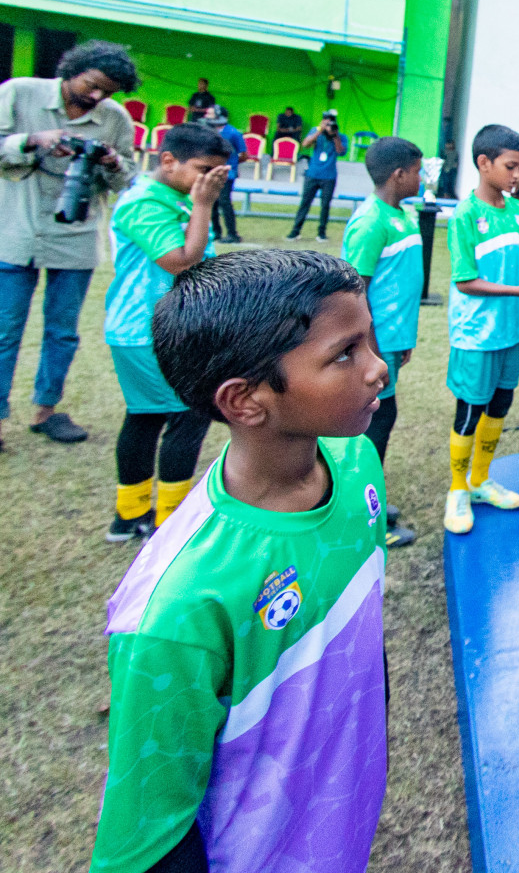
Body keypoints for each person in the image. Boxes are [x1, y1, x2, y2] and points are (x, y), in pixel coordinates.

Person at [91, 249, 392, 873]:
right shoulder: (176, 608)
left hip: (342, 821)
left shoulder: (357, 461)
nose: (378, 369)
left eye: (370, 342)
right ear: (246, 400)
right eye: (345, 354)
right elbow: (148, 841)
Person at [0, 40, 139, 449]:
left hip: (75, 238)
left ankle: (47, 411)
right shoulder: (19, 92)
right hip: (14, 231)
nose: (97, 97)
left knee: (62, 332)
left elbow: (128, 179)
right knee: (5, 330)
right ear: (71, 69)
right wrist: (31, 142)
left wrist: (113, 163)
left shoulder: (114, 119)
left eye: (107, 92)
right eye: (92, 85)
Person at [103, 123, 228, 544]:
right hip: (149, 329)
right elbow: (182, 260)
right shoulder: (144, 203)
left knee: (146, 415)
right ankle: (169, 523)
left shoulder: (176, 195)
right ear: (168, 160)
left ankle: (131, 515)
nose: (209, 180)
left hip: (159, 327)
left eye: (219, 174)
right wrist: (204, 206)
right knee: (188, 415)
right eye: (203, 170)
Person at [443, 124, 519, 534]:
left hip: (511, 330)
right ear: (483, 163)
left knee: (499, 407)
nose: (517, 175)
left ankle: (480, 480)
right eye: (511, 167)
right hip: (475, 334)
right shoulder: (465, 214)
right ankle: (457, 489)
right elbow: (464, 280)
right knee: (470, 411)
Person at [344, 136, 426, 549]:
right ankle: (364, 514)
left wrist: (401, 340)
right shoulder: (370, 221)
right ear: (399, 174)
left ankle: (369, 499)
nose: (422, 177)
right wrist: (370, 350)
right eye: (418, 170)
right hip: (375, 347)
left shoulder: (403, 215)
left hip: (392, 342)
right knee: (375, 423)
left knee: (385, 419)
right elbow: (355, 292)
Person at [286, 109, 348, 242]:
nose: (329, 123)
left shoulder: (341, 136)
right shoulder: (316, 132)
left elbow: (340, 151)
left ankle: (321, 233)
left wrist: (335, 135)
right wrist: (320, 130)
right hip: (312, 174)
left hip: (329, 176)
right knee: (305, 203)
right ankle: (295, 231)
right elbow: (305, 144)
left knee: (325, 205)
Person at [204, 105, 247, 244]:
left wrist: (232, 164)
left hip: (227, 174)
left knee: (224, 202)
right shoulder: (208, 131)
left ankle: (232, 233)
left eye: (210, 113)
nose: (206, 116)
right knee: (212, 204)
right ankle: (216, 232)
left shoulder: (233, 133)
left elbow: (244, 154)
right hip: (211, 172)